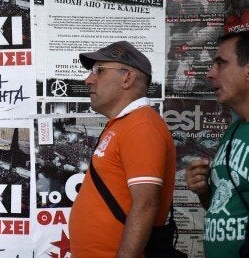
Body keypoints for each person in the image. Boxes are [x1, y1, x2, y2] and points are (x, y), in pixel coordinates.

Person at [69, 41, 176, 256]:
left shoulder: (141, 125)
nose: (88, 80)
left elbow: (146, 204)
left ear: (127, 78)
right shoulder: (124, 123)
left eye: (99, 71)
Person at [185, 31, 249, 257]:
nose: (210, 74)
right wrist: (204, 190)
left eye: (221, 64)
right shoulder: (233, 131)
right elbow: (225, 206)